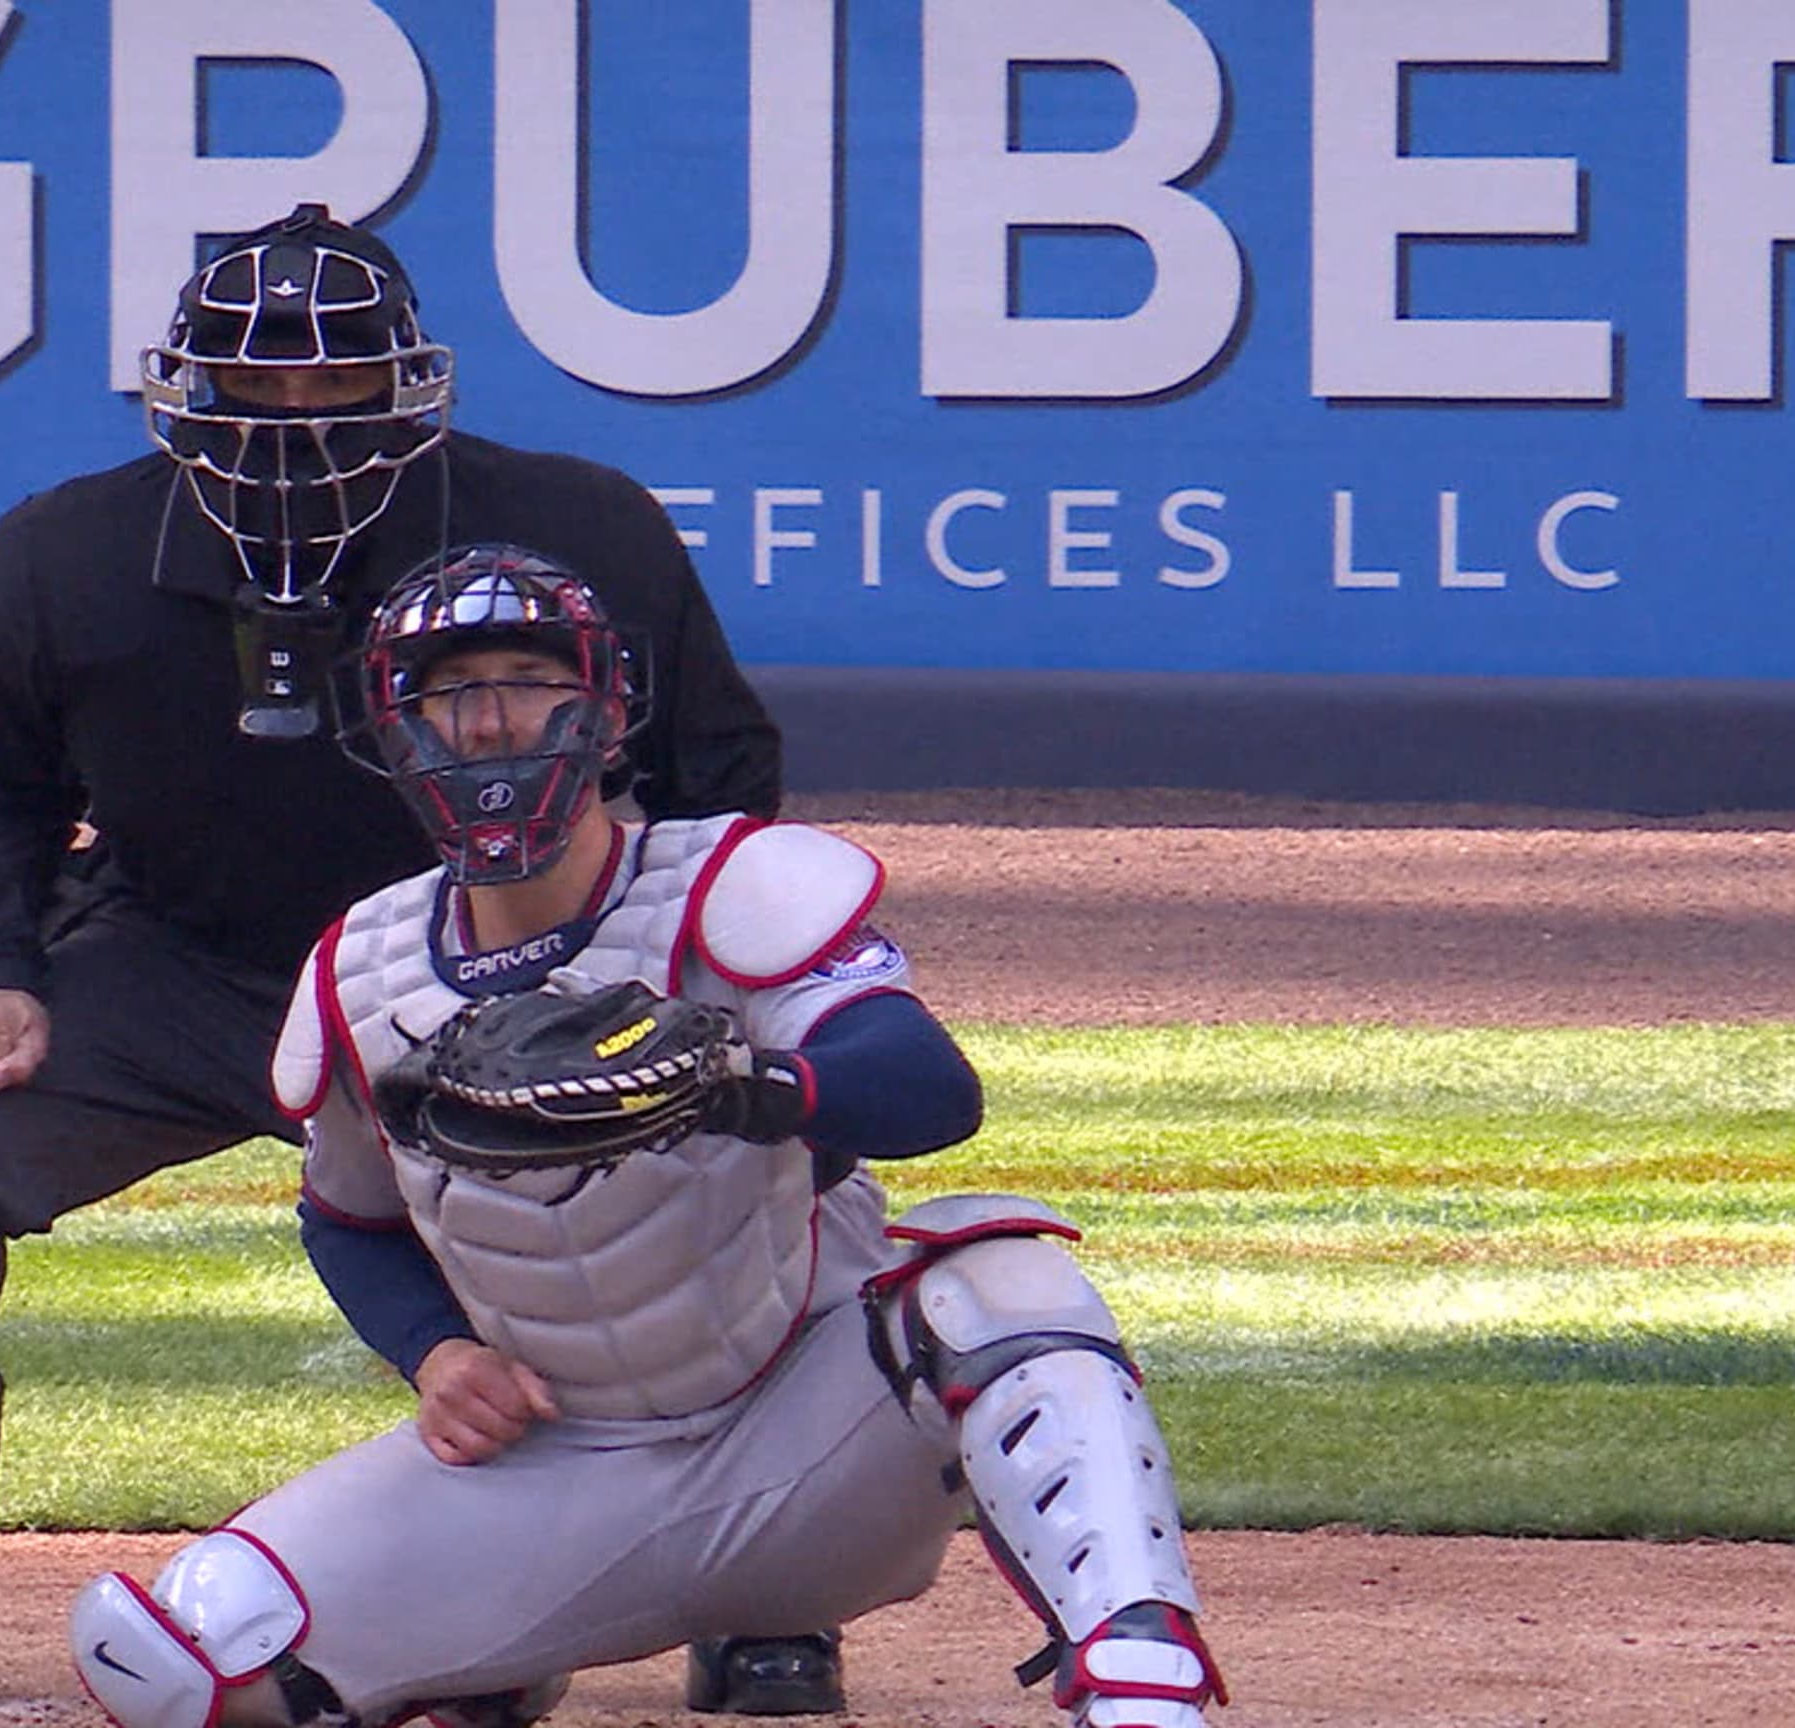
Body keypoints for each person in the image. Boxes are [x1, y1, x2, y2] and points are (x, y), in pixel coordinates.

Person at [0, 203, 837, 1716]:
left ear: (415, 386)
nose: (297, 421)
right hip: (185, 966)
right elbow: (9, 797)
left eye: (335, 384)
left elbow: (720, 774)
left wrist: (647, 987)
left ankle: (759, 1581)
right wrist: (1, 968)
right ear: (185, 391)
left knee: (705, 1166)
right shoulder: (66, 554)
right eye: (259, 387)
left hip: (494, 973)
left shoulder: (578, 525)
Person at [65, 544, 1230, 1728]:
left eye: (526, 679)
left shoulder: (727, 884)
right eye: (445, 691)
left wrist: (741, 1083)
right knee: (184, 1657)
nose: (487, 722)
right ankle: (491, 1655)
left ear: (607, 709)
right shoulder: (360, 971)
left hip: (819, 1440)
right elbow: (346, 1219)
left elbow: (928, 1089)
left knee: (1003, 1283)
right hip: (566, 1470)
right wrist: (435, 1353)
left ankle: (1140, 1681)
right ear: (393, 730)